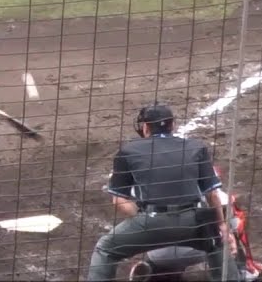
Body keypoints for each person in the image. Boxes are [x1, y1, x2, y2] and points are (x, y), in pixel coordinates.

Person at [86, 103, 242, 282]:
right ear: (172, 125)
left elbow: (118, 201)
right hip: (191, 222)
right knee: (217, 244)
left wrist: (144, 219)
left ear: (145, 127)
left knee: (105, 248)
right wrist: (221, 226)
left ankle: (158, 269)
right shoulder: (196, 147)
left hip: (152, 223)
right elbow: (212, 195)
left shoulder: (128, 151)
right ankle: (241, 272)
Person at [130, 165, 262, 281]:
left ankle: (153, 268)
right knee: (233, 220)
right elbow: (227, 212)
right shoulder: (208, 188)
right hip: (196, 247)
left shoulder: (147, 180)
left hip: (157, 252)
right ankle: (242, 269)